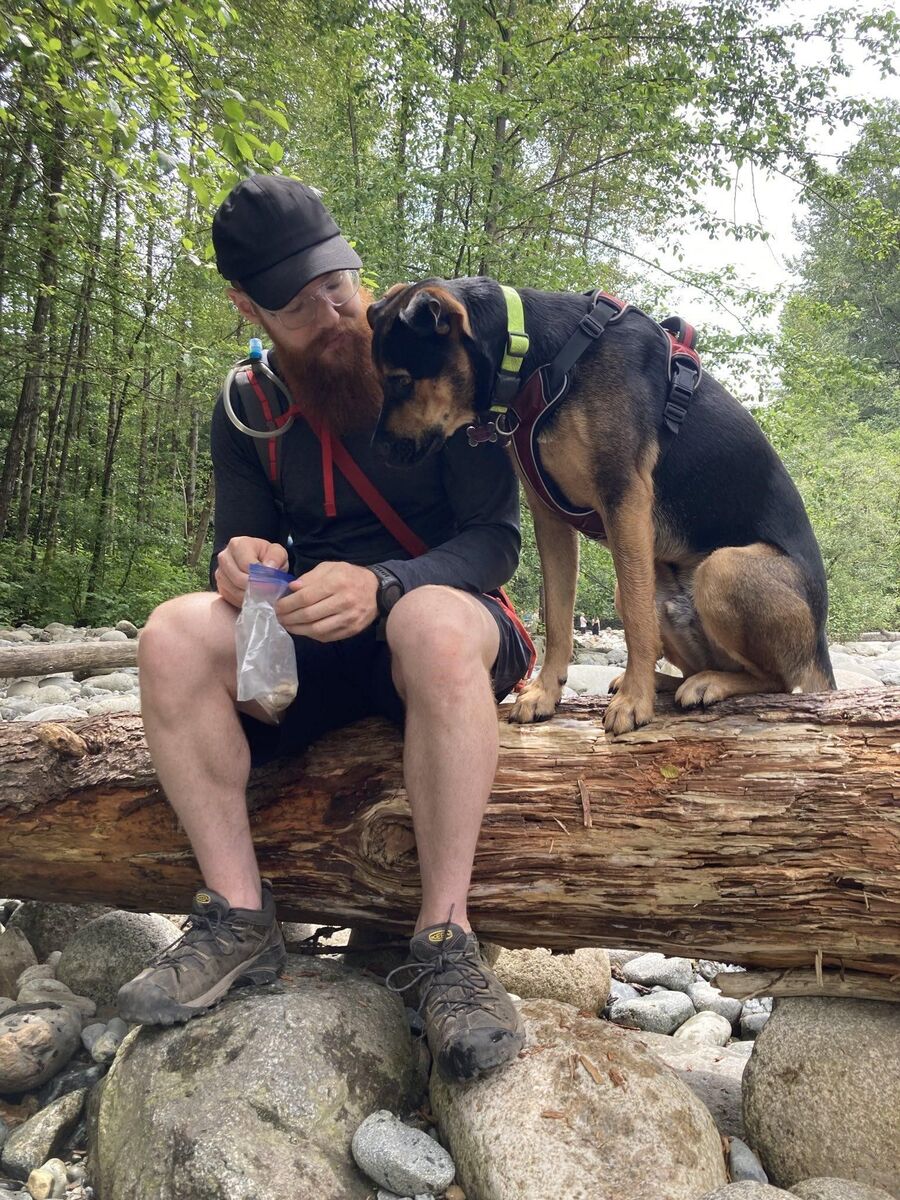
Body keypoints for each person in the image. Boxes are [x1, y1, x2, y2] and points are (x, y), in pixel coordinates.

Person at [116, 175, 532, 1084]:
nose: (334, 313)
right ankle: (237, 917)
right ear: (247, 310)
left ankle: (447, 944)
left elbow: (498, 544)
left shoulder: (438, 345)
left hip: (446, 624)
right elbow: (239, 550)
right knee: (174, 633)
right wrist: (240, 565)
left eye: (337, 283)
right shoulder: (247, 407)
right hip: (315, 642)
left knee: (424, 622)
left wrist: (386, 585)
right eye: (299, 306)